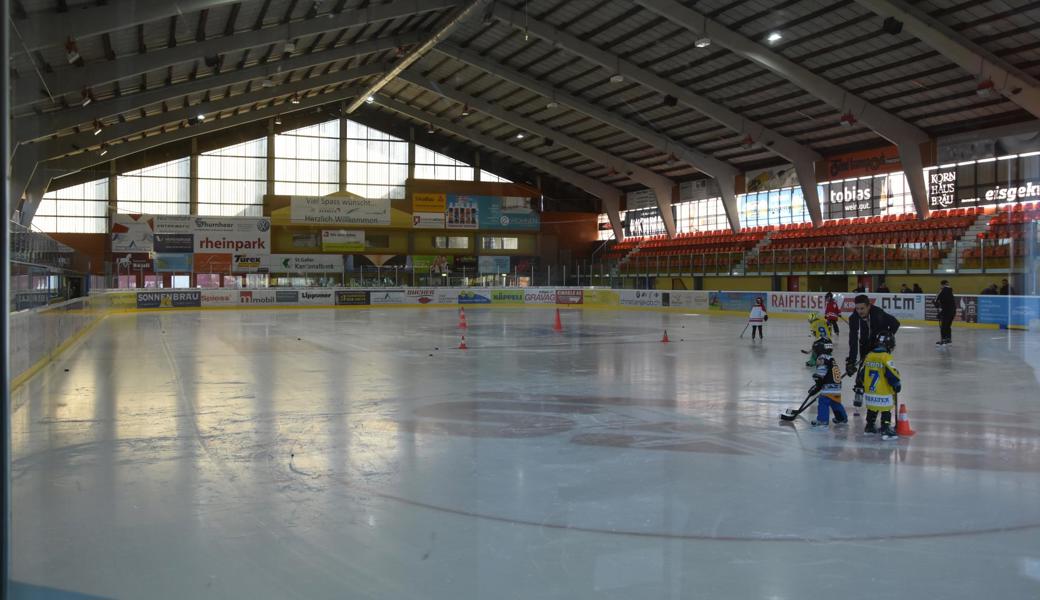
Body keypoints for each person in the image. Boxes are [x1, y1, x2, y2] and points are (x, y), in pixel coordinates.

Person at [846, 294, 901, 408]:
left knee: (883, 370)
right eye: (857, 308)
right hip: (865, 346)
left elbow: (895, 323)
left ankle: (888, 392)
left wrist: (886, 339)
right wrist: (851, 361)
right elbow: (853, 340)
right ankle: (859, 391)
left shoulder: (878, 313)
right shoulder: (854, 318)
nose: (859, 311)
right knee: (863, 368)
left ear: (869, 306)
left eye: (862, 308)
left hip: (880, 347)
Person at [858, 331, 901, 440]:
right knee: (886, 410)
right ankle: (885, 427)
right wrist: (896, 384)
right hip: (883, 392)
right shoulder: (886, 357)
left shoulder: (869, 356)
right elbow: (891, 374)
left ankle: (869, 426)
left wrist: (862, 384)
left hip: (870, 392)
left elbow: (862, 374)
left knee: (872, 409)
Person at [809, 337, 848, 428]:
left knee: (823, 401)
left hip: (828, 386)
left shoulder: (822, 358)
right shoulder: (831, 358)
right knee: (835, 402)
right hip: (837, 385)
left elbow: (820, 375)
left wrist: (817, 385)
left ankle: (822, 420)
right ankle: (842, 418)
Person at [934, 280, 955, 347]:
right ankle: (948, 338)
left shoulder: (942, 290)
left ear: (942, 285)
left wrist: (936, 304)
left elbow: (935, 300)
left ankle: (943, 339)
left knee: (943, 326)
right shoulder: (951, 291)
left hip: (946, 311)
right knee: (948, 325)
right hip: (953, 311)